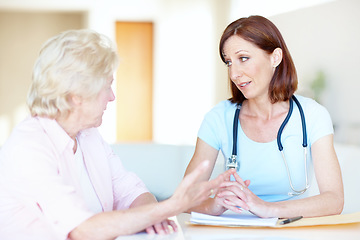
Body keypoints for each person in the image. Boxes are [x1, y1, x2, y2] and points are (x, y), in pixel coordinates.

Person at [0, 29, 236, 240]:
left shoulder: (88, 136)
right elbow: (82, 230)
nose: (112, 96)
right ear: (76, 96)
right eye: (106, 86)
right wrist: (170, 207)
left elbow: (132, 192)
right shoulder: (28, 148)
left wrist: (151, 216)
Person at [184, 15, 344, 219]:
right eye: (228, 62)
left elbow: (334, 200)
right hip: (231, 232)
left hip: (288, 231)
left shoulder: (313, 115)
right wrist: (215, 205)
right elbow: (185, 199)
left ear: (275, 57)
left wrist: (267, 209)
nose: (234, 73)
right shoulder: (218, 119)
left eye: (243, 58)